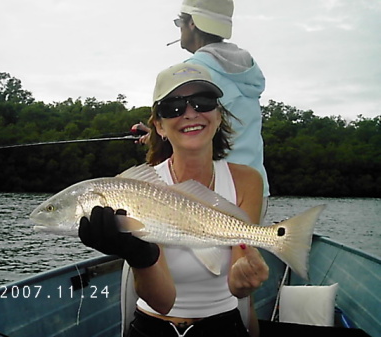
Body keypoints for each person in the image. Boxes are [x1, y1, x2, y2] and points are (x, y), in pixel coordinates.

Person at [79, 62, 269, 337]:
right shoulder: (133, 188)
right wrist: (138, 255)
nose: (190, 113)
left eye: (203, 102)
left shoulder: (247, 180)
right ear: (159, 126)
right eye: (173, 107)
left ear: (218, 117)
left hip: (223, 325)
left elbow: (238, 282)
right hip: (151, 327)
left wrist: (244, 282)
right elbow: (162, 301)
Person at [137, 0, 270, 218]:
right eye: (175, 108)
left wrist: (162, 133)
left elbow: (193, 128)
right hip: (254, 191)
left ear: (192, 24)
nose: (188, 111)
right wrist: (156, 133)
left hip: (209, 189)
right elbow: (210, 125)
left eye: (180, 22)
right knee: (244, 251)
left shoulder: (194, 73)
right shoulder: (247, 72)